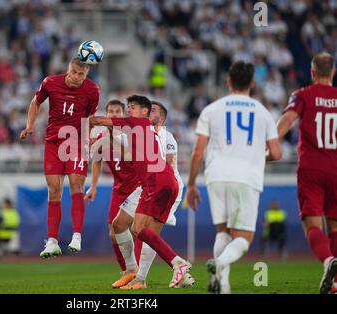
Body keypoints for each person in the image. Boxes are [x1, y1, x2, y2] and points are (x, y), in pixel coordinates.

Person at [186, 61, 281, 294]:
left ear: (228, 82)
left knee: (223, 232)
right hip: (246, 176)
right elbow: (277, 153)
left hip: (216, 175)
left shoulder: (211, 109)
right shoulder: (263, 112)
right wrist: (256, 155)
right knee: (243, 238)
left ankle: (223, 285)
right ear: (252, 83)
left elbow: (198, 152)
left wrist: (190, 184)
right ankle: (220, 264)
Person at [90, 95, 194, 289]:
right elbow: (122, 151)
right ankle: (170, 270)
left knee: (139, 230)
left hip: (157, 182)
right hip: (158, 183)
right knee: (128, 227)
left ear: (144, 112)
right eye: (128, 107)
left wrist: (86, 114)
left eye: (132, 107)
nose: (128, 110)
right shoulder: (142, 131)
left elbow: (98, 120)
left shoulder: (138, 124)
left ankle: (172, 264)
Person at [20, 57, 100, 257]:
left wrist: (88, 136)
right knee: (54, 189)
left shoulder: (92, 90)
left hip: (77, 142)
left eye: (81, 74)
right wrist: (30, 125)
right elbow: (35, 102)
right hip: (54, 142)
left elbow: (89, 117)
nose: (76, 77)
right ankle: (53, 241)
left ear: (86, 75)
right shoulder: (50, 82)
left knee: (76, 184)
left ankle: (76, 236)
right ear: (68, 69)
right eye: (74, 72)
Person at [276, 52, 337, 294]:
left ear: (312, 73)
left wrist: (268, 145)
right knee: (334, 226)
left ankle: (328, 261)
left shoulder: (303, 95)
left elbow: (287, 119)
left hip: (311, 168)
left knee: (311, 223)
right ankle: (334, 282)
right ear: (332, 72)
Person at [117, 100, 185, 290]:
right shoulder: (139, 131)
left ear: (161, 118)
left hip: (164, 184)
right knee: (119, 224)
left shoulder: (167, 136)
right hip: (146, 185)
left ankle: (141, 278)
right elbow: (119, 146)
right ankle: (132, 270)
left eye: (153, 110)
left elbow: (168, 164)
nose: (148, 112)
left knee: (146, 231)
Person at [85, 99, 141, 285]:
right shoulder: (102, 138)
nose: (114, 114)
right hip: (118, 189)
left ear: (123, 115)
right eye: (111, 111)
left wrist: (108, 138)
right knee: (113, 233)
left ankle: (138, 274)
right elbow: (97, 161)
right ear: (106, 114)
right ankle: (126, 271)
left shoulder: (129, 134)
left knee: (138, 230)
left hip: (136, 188)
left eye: (118, 111)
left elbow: (129, 155)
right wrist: (93, 186)